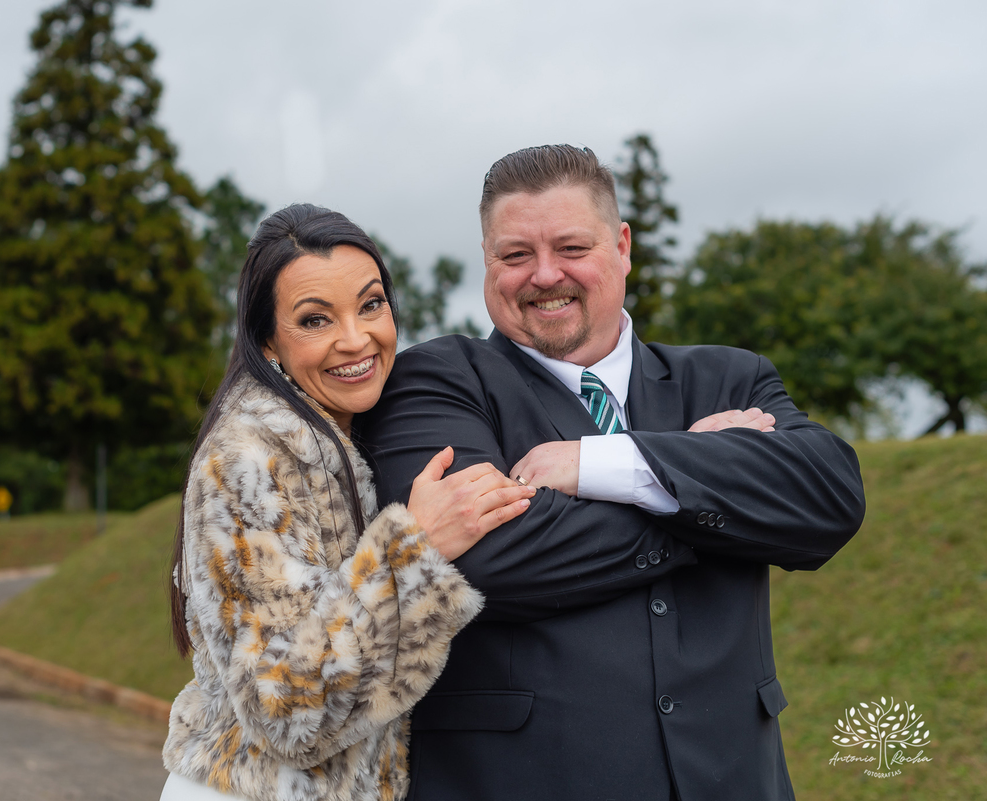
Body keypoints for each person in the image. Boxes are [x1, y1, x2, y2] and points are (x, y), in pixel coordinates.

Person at [357, 145, 866, 801]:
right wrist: (706, 498)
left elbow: (828, 497)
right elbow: (486, 557)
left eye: (571, 247)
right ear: (487, 258)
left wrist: (608, 463)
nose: (544, 275)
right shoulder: (434, 382)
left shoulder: (730, 378)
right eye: (515, 255)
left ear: (621, 245)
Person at [160, 204, 536, 801]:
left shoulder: (352, 430)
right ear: (268, 340)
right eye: (315, 320)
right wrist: (415, 554)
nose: (356, 339)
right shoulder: (248, 460)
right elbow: (285, 709)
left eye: (371, 305)